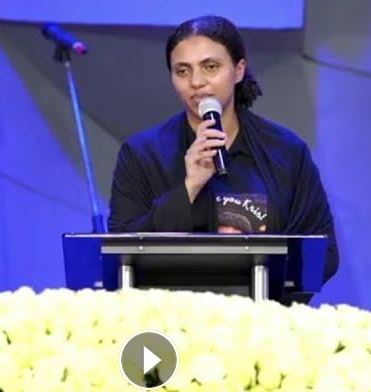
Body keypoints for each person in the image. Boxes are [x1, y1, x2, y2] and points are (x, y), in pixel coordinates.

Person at [108, 14, 339, 286]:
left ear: (238, 70)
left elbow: (324, 252)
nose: (196, 81)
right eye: (182, 71)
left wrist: (262, 279)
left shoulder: (286, 151)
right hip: (172, 307)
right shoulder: (141, 154)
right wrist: (189, 188)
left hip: (261, 307)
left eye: (210, 67)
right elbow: (118, 254)